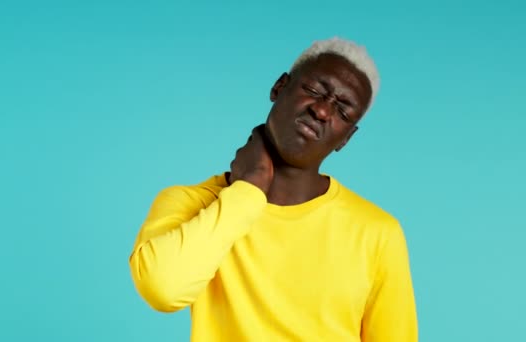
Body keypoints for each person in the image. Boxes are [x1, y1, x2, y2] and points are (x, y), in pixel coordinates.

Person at [128, 37, 418, 341]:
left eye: (343, 111)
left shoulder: (377, 232)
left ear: (346, 138)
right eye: (316, 90)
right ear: (279, 87)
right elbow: (162, 288)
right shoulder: (190, 203)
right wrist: (248, 191)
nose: (321, 111)